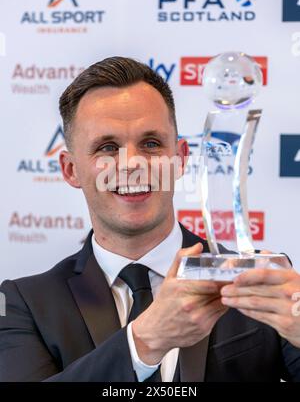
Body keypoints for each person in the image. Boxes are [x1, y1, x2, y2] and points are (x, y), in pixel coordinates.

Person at [1, 56, 300, 382]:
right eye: (107, 147)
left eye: (151, 143)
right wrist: (145, 341)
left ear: (181, 158)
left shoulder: (256, 283)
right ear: (71, 169)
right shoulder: (23, 303)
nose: (132, 163)